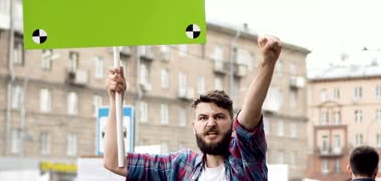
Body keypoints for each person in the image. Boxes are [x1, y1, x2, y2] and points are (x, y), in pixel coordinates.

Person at [103, 35, 282, 180]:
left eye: (219, 117)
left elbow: (248, 118)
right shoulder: (180, 166)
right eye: (203, 118)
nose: (211, 123)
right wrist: (114, 99)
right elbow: (114, 161)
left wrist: (268, 62)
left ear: (232, 124)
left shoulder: (245, 160)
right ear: (194, 126)